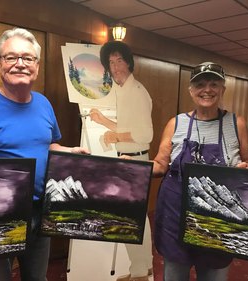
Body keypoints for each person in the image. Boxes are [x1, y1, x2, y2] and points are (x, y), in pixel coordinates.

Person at [0, 27, 88, 281]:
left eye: (27, 58)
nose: (20, 64)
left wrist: (70, 151)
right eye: (11, 57)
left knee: (37, 278)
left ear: (36, 65)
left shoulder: (44, 104)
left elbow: (47, 145)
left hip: (39, 212)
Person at [152, 62, 248, 281]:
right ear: (191, 90)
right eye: (200, 84)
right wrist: (132, 165)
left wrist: (246, 170)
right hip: (176, 218)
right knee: (174, 275)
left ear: (223, 89)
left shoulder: (236, 124)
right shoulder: (175, 123)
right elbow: (160, 164)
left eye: (213, 84)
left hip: (218, 222)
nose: (207, 89)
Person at [89, 41, 154, 281]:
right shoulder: (124, 90)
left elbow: (145, 135)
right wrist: (103, 120)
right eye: (111, 62)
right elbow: (129, 129)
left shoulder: (136, 91)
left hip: (135, 160)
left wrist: (115, 135)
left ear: (129, 62)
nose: (115, 67)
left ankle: (139, 272)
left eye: (119, 61)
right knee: (138, 216)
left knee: (131, 218)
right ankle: (142, 267)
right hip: (129, 158)